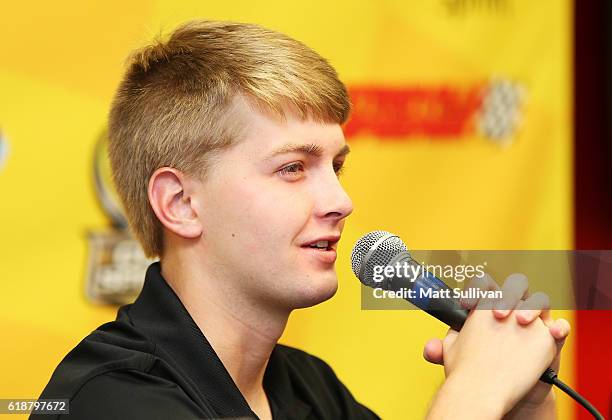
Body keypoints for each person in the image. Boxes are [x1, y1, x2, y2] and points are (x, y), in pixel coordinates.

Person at [34, 20, 570, 419]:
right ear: (180, 204)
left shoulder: (308, 390)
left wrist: (523, 400)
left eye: (336, 166)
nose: (340, 200)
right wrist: (474, 390)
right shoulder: (108, 400)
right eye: (293, 167)